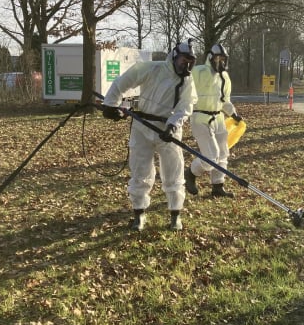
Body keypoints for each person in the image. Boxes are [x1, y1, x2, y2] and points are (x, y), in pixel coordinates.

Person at [101, 40, 198, 231]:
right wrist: (110, 104)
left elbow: (186, 107)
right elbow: (123, 82)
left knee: (173, 171)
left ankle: (175, 214)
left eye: (189, 62)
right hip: (142, 127)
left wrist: (172, 126)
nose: (185, 66)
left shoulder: (187, 81)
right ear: (174, 57)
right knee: (140, 170)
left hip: (168, 130)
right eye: (183, 61)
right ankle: (139, 213)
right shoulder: (152, 69)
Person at [185, 43, 242, 198]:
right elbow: (184, 87)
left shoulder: (224, 77)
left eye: (223, 59)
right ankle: (190, 173)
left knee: (223, 153)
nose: (221, 62)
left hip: (218, 118)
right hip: (200, 118)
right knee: (211, 156)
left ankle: (218, 186)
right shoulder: (198, 72)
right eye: (218, 58)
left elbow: (225, 100)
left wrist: (233, 113)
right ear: (211, 57)